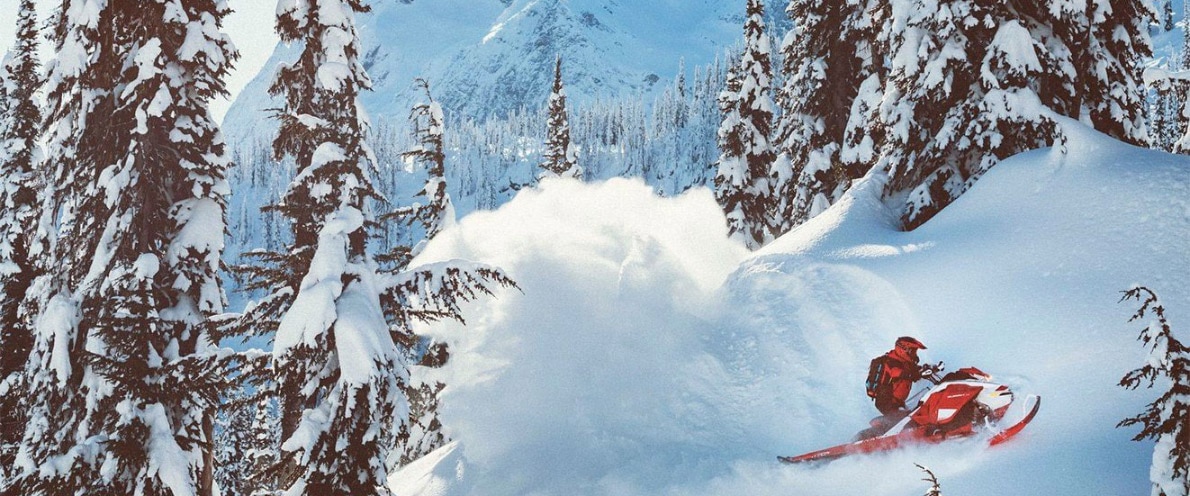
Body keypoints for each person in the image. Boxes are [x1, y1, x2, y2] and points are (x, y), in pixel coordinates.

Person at [857, 336, 929, 440]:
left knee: (914, 415)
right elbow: (897, 372)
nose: (914, 354)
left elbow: (915, 370)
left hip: (897, 402)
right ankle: (877, 438)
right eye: (912, 351)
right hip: (886, 401)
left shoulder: (905, 362)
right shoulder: (891, 361)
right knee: (905, 421)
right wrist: (914, 374)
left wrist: (929, 369)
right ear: (903, 349)